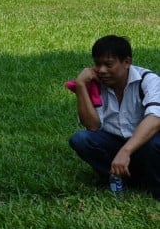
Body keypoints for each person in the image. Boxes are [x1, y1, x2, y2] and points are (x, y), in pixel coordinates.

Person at [68, 35, 160, 198]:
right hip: (114, 141)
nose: (102, 70)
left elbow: (155, 119)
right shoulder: (95, 85)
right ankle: (120, 178)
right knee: (81, 139)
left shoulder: (149, 81)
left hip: (144, 144)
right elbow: (92, 126)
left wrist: (126, 151)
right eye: (98, 64)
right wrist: (81, 86)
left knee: (156, 144)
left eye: (108, 64)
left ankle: (154, 185)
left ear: (126, 62)